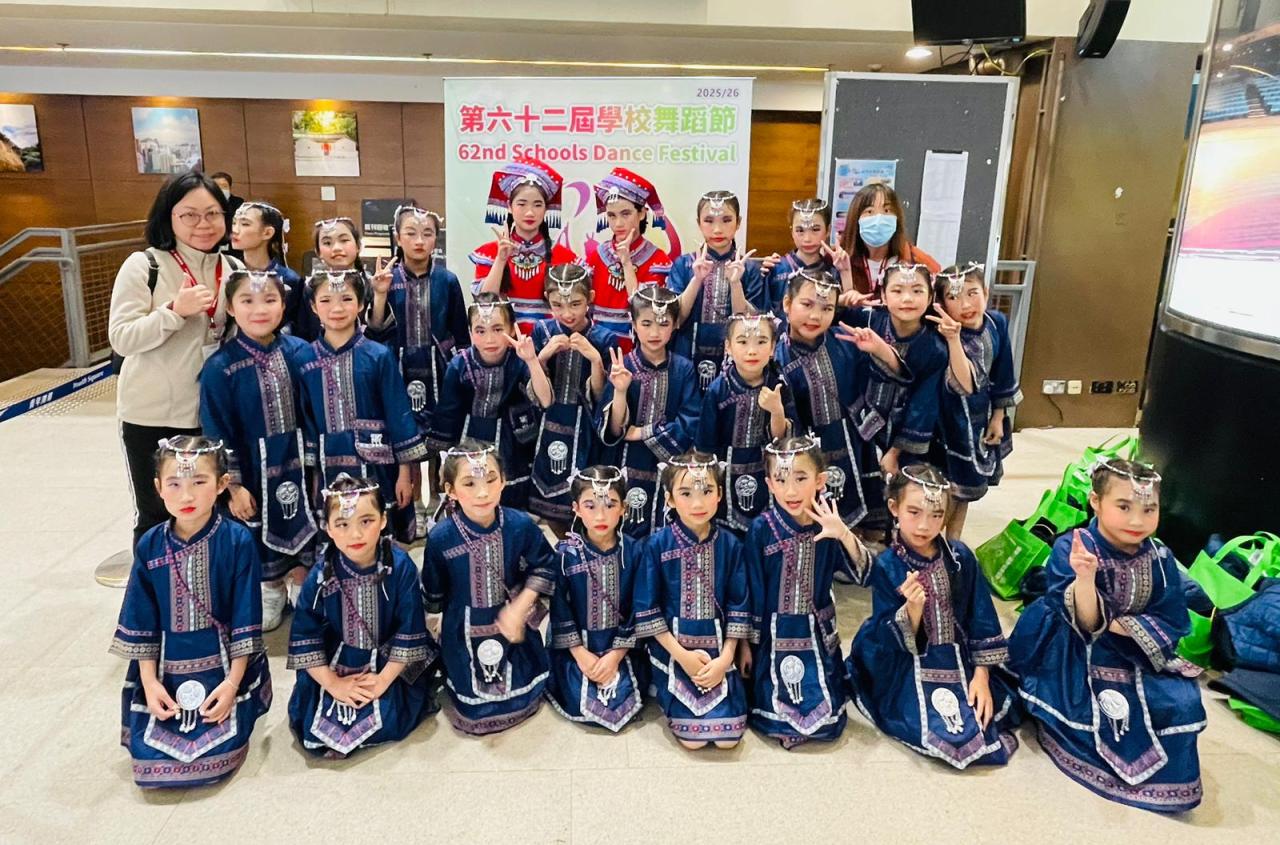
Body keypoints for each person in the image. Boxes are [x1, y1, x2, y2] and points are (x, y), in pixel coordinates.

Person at [1009, 459, 1205, 813]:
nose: (1137, 521)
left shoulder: (1160, 556)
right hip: (1073, 645)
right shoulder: (1073, 547)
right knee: (1103, 710)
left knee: (1181, 703)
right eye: (1124, 507)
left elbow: (1171, 614)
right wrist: (1085, 579)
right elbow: (1086, 622)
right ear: (1095, 502)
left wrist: (1124, 627)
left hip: (1138, 649)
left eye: (1149, 509)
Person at [110, 436, 271, 788]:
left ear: (222, 484)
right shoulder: (150, 545)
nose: (186, 496)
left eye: (199, 482)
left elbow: (246, 618)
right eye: (174, 484)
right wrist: (150, 683)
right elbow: (141, 619)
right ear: (158, 488)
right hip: (166, 666)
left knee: (218, 756)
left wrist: (231, 684)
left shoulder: (238, 541)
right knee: (148, 759)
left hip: (224, 663)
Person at [848, 465, 1020, 768]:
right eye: (914, 512)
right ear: (894, 508)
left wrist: (981, 676)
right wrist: (912, 611)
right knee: (930, 727)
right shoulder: (888, 565)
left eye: (936, 515)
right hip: (905, 661)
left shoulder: (960, 558)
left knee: (982, 720)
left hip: (959, 655)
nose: (924, 525)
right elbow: (887, 638)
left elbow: (980, 617)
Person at [108, 169, 241, 547]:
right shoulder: (145, 265)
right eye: (190, 215)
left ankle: (206, 581)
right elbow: (122, 338)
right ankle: (154, 584)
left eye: (213, 214)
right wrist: (173, 312)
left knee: (211, 511)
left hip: (208, 416)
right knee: (157, 516)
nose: (203, 224)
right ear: (169, 217)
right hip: (152, 417)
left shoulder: (232, 269)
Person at [287, 473, 437, 758]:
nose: (355, 535)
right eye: (342, 524)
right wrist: (333, 683)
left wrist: (382, 681)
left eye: (366, 521)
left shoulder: (401, 567)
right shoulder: (320, 576)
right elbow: (305, 636)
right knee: (314, 723)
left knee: (393, 714)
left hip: (390, 655)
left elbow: (410, 630)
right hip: (339, 654)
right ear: (328, 528)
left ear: (383, 520)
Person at [199, 268, 317, 631]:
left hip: (300, 461)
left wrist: (317, 466)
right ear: (230, 308)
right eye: (247, 301)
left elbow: (315, 413)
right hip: (251, 467)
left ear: (283, 305)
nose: (259, 309)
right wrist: (233, 486)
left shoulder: (302, 352)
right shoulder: (220, 368)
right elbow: (216, 429)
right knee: (257, 524)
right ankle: (270, 588)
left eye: (269, 300)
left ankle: (303, 581)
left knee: (306, 518)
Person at [423, 442, 558, 735]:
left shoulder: (520, 525)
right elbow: (434, 590)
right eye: (469, 483)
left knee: (525, 688)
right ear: (450, 490)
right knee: (472, 705)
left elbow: (547, 565)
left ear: (504, 481)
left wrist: (521, 606)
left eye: (491, 480)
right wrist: (435, 622)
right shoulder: (441, 537)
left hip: (512, 623)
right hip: (462, 626)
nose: (483, 493)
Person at [744, 435, 870, 747]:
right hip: (773, 634)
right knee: (772, 705)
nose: (791, 491)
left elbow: (866, 576)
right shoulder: (761, 528)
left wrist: (843, 534)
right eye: (781, 479)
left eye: (801, 478)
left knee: (826, 714)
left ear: (820, 480)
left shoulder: (829, 525)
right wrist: (747, 644)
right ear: (769, 484)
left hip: (816, 633)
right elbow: (752, 590)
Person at [297, 268, 425, 544]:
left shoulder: (378, 355)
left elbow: (398, 414)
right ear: (313, 307)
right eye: (326, 300)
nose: (336, 308)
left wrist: (405, 472)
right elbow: (305, 420)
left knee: (381, 535)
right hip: (327, 466)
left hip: (378, 467)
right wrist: (311, 474)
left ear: (361, 304)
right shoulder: (304, 360)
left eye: (346, 299)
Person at [633, 451, 751, 748]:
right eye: (686, 493)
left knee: (727, 739)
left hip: (718, 650)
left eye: (707, 491)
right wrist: (682, 657)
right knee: (693, 740)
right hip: (673, 650)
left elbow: (739, 604)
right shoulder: (657, 545)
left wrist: (725, 659)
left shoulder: (731, 545)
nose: (698, 503)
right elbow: (647, 609)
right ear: (669, 499)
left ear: (720, 494)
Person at [774, 269, 906, 532]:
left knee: (864, 518)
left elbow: (890, 380)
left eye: (826, 308)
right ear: (787, 304)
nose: (815, 316)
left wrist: (880, 350)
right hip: (809, 448)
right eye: (807, 304)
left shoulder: (845, 342)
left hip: (857, 441)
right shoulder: (775, 356)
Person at [365, 204, 470, 526]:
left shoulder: (447, 280)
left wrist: (460, 366)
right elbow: (374, 330)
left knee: (440, 436)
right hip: (398, 369)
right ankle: (412, 504)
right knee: (405, 435)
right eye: (411, 233)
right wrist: (379, 294)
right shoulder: (387, 279)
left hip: (439, 369)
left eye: (427, 233)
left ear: (436, 239)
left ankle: (437, 500)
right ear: (398, 237)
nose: (419, 241)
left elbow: (460, 332)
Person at [427, 293, 554, 511]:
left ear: (512, 329)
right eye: (480, 331)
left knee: (510, 507)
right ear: (470, 332)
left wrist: (532, 360)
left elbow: (545, 400)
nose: (489, 339)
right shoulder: (459, 365)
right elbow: (446, 417)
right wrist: (444, 461)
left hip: (511, 446)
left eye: (497, 329)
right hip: (467, 441)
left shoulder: (519, 361)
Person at [545, 466, 645, 732]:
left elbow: (640, 608)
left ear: (624, 508)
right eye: (590, 506)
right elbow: (560, 609)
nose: (601, 515)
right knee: (578, 695)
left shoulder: (636, 552)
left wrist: (615, 655)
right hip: (579, 649)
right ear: (576, 508)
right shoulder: (565, 555)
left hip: (622, 647)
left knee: (625, 692)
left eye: (610, 505)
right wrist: (580, 655)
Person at [595, 286, 700, 539]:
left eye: (663, 324)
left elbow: (690, 423)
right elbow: (613, 431)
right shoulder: (623, 366)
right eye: (646, 323)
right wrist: (620, 391)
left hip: (669, 466)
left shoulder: (684, 369)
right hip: (626, 462)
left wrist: (642, 432)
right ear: (633, 323)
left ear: (675, 325)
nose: (655, 332)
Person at [930, 263, 1023, 539]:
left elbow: (1003, 372)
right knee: (945, 486)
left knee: (967, 488)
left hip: (980, 416)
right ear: (941, 303)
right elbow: (961, 382)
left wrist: (999, 416)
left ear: (986, 292)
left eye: (972, 293)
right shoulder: (937, 334)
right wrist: (952, 339)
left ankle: (954, 541)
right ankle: (932, 541)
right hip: (947, 419)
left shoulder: (996, 323)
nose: (966, 305)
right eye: (953, 297)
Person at [847, 262, 948, 486]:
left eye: (917, 291)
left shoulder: (935, 349)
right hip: (859, 422)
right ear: (883, 295)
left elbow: (923, 405)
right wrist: (844, 299)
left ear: (930, 297)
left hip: (902, 432)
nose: (907, 299)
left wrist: (895, 452)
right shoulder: (869, 320)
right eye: (897, 291)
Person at [694, 309, 792, 534]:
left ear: (773, 347)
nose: (752, 350)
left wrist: (777, 411)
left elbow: (782, 442)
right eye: (742, 341)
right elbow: (705, 448)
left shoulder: (779, 383)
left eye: (761, 341)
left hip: (769, 471)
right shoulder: (718, 390)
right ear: (728, 347)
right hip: (726, 475)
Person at [528, 265, 612, 526]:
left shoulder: (604, 337)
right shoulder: (541, 332)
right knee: (549, 504)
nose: (567, 313)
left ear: (590, 298)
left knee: (585, 498)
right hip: (548, 423)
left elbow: (601, 397)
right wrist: (541, 357)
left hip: (586, 428)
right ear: (547, 300)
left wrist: (595, 360)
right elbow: (535, 393)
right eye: (557, 305)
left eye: (575, 304)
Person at [667, 190, 768, 391]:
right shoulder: (684, 264)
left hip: (735, 356)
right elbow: (675, 319)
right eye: (709, 221)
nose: (717, 229)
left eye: (726, 220)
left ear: (738, 223)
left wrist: (736, 284)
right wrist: (696, 279)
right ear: (699, 223)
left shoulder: (749, 269)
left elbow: (751, 323)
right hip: (687, 352)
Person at [471, 155, 580, 332]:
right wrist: (500, 259)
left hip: (549, 340)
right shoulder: (489, 253)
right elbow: (484, 301)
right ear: (509, 206)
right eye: (522, 204)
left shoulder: (563, 256)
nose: (530, 212)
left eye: (537, 205)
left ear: (546, 208)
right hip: (503, 340)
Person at [584, 167, 676, 350]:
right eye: (612, 216)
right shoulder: (597, 255)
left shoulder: (658, 260)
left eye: (626, 214)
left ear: (641, 213)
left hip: (637, 347)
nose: (618, 223)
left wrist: (626, 262)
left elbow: (645, 308)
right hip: (597, 344)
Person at [838, 183, 940, 295]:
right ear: (856, 218)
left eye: (886, 210)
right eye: (870, 211)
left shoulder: (917, 260)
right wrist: (842, 300)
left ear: (897, 218)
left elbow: (940, 293)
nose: (878, 219)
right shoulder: (838, 260)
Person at [760, 199, 855, 311]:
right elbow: (762, 312)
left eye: (815, 229)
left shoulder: (834, 270)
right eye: (800, 230)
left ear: (828, 230)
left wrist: (845, 274)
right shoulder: (775, 268)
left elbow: (847, 314)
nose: (807, 239)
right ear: (792, 231)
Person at [229, 201, 305, 336]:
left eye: (245, 224)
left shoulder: (289, 279)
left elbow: (299, 327)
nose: (235, 230)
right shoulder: (228, 272)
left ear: (267, 233)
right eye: (234, 223)